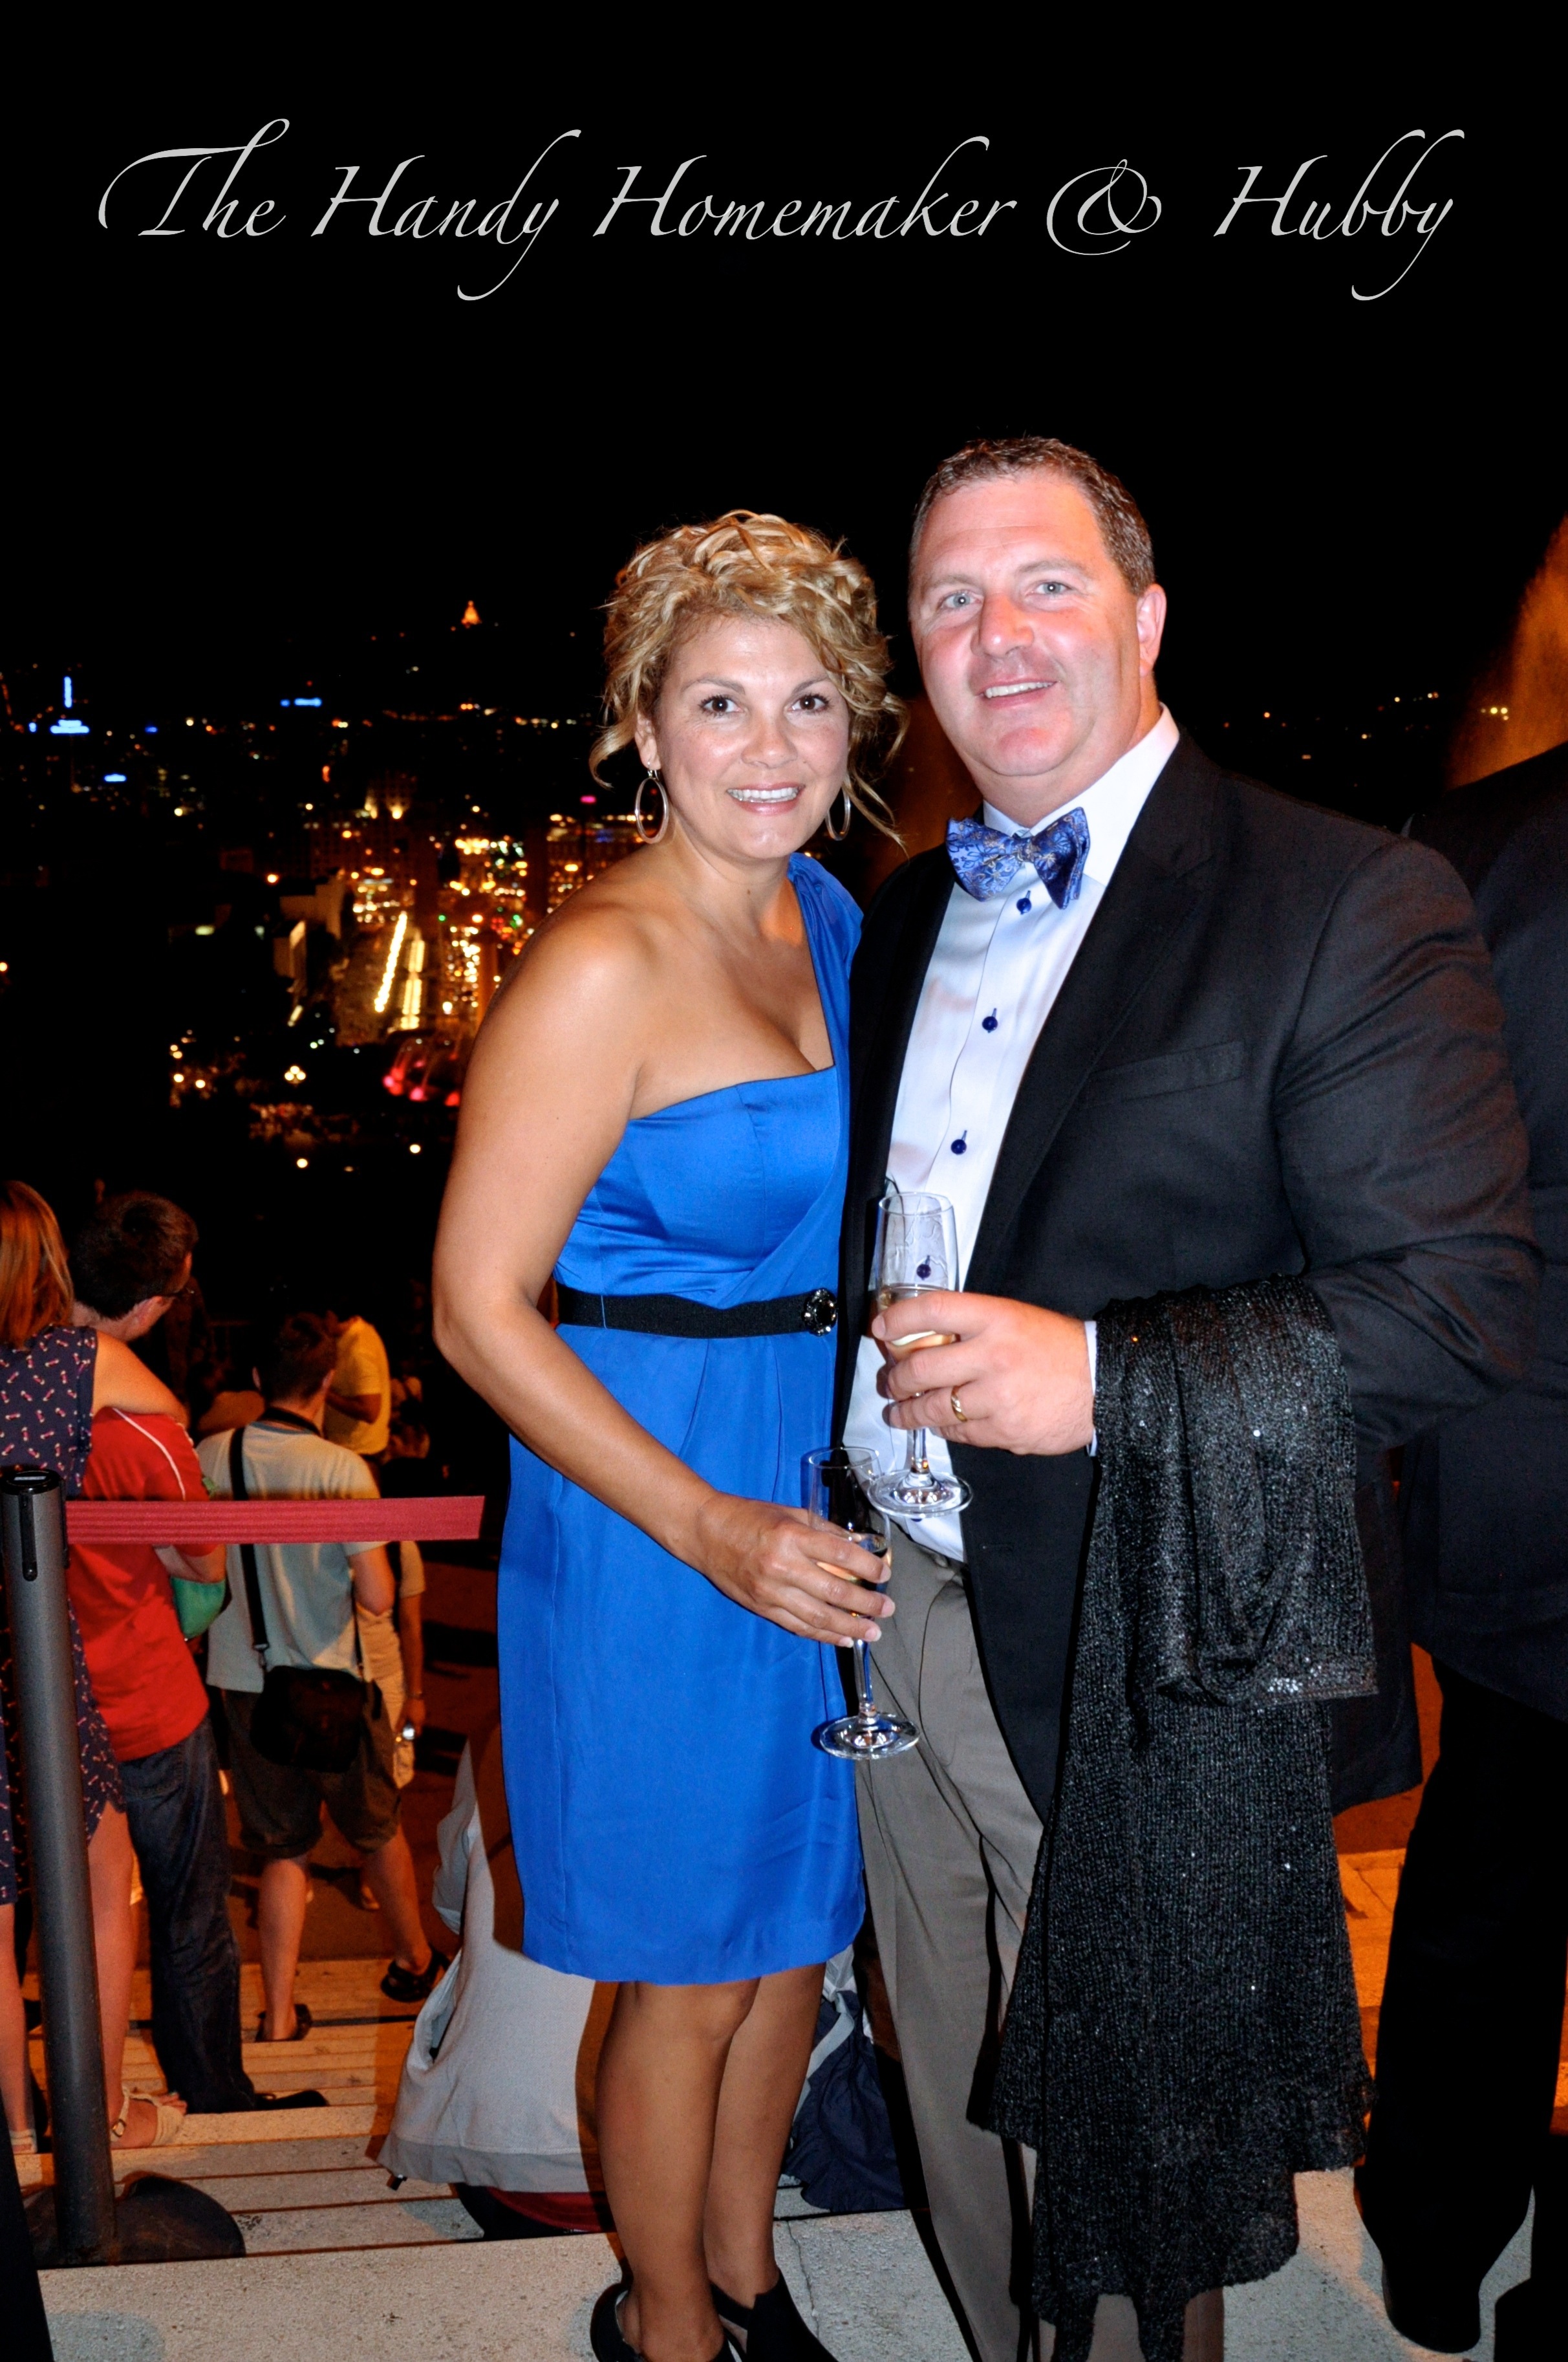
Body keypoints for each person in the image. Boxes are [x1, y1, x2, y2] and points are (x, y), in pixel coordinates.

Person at [836, 439, 1538, 2362]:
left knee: (1124, 2167)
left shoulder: (1344, 893)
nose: (997, 633)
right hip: (894, 1604)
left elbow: (1457, 1301)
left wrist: (1102, 1374)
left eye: (1045, 582)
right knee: (952, 2091)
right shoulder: (904, 917)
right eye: (951, 597)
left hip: (1143, 1635)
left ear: (1144, 617)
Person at [433, 512, 904, 2362]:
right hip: (656, 1508)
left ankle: (750, 2278)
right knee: (689, 1972)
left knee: (795, 1938)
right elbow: (477, 1308)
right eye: (720, 702)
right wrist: (709, 1524)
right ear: (641, 723)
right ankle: (668, 2327)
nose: (770, 746)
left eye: (808, 701)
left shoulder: (826, 913)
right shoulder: (600, 964)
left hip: (810, 1476)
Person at [1357, 739, 1568, 2354]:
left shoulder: (1470, 840)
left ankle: (1431, 2237)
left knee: (1491, 1846)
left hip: (1513, 1437)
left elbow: (1387, 1164)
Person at [70, 1191, 303, 2117]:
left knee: (66, 1910)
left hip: (47, 1700)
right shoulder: (148, 1433)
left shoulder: (20, 1396)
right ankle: (209, 2088)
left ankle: (66, 2096)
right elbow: (201, 1558)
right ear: (148, 1307)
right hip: (148, 1702)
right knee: (187, 1909)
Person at [1, 1178, 191, 2154]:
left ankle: (14, 2134)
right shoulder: (73, 1363)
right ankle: (101, 2117)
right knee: (101, 1878)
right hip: (26, 1653)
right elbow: (169, 1414)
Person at [199, 1312, 446, 2041]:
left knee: (282, 1850)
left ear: (257, 1379)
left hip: (245, 1684)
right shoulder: (342, 1471)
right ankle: (413, 1960)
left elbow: (196, 1571)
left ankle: (278, 2012)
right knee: (376, 1829)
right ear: (329, 1381)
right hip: (334, 1687)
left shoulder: (212, 1455)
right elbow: (377, 1596)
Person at [322, 1306, 391, 1460]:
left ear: (331, 1316)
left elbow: (370, 1411)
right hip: (352, 1448)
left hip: (359, 1451)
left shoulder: (358, 1350)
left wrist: (324, 1393)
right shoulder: (360, 1330)